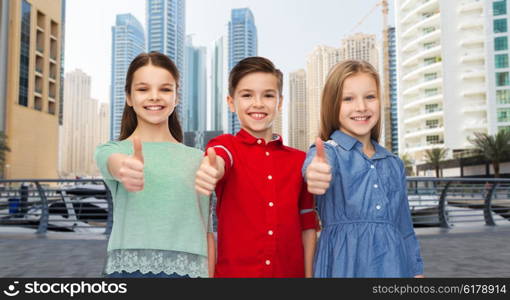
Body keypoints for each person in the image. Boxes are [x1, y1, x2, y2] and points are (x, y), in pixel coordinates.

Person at [194, 57, 319, 277]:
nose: (258, 103)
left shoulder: (300, 161)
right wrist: (212, 169)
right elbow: (219, 160)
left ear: (280, 102)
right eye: (247, 95)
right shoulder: (224, 145)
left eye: (268, 95)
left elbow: (308, 226)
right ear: (231, 102)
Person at [95, 51, 211, 278]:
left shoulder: (199, 158)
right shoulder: (112, 150)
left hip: (191, 274)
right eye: (143, 89)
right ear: (129, 97)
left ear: (176, 97)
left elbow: (206, 230)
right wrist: (125, 168)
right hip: (127, 272)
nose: (155, 96)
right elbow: (114, 164)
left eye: (165, 89)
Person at [303, 60, 424, 278]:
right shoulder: (328, 152)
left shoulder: (394, 163)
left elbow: (404, 226)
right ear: (332, 105)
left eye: (370, 97)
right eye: (348, 99)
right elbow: (314, 167)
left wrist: (416, 270)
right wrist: (315, 172)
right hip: (343, 267)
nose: (361, 107)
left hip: (395, 267)